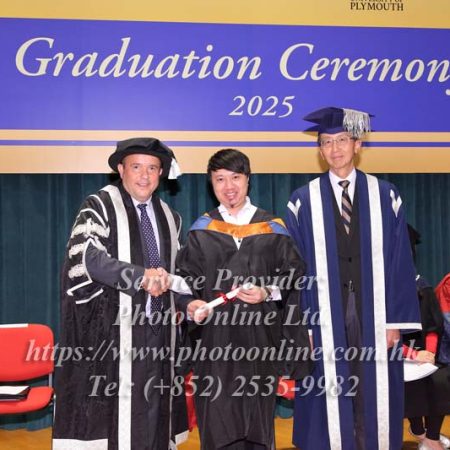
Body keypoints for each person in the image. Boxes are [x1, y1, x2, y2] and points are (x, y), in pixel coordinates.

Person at [286, 107, 421, 450]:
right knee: (330, 388)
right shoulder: (303, 200)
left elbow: (400, 260)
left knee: (371, 386)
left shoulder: (385, 194)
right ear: (319, 149)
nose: (335, 149)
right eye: (327, 142)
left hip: (375, 311)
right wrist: (305, 326)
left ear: (357, 144)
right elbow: (295, 270)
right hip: (324, 313)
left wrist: (395, 322)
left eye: (342, 140)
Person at [53, 138, 189, 450]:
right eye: (136, 167)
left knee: (155, 412)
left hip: (160, 331)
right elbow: (88, 258)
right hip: (114, 332)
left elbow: (177, 272)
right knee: (118, 418)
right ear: (120, 169)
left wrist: (186, 298)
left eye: (152, 168)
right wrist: (141, 277)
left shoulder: (170, 216)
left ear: (161, 173)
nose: (144, 175)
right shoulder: (99, 206)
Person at [176, 149, 312, 450]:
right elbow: (185, 280)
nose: (229, 187)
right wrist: (189, 304)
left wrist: (267, 290)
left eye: (235, 177)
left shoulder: (272, 227)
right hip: (215, 345)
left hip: (260, 342)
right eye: (220, 179)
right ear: (211, 184)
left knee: (257, 424)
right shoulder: (201, 230)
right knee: (218, 422)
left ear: (248, 180)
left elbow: (294, 273)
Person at [403, 225, 450, 450]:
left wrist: (429, 352)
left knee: (441, 380)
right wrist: (412, 354)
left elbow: (433, 326)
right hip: (395, 354)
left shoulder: (422, 287)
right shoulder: (382, 291)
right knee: (412, 385)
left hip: (424, 352)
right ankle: (419, 431)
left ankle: (431, 437)